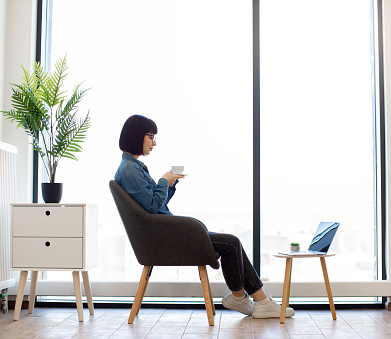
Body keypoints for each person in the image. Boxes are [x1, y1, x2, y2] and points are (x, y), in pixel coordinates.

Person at [115, 114, 294, 319]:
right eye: (151, 137)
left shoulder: (132, 168)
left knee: (229, 243)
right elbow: (154, 208)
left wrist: (169, 186)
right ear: (137, 136)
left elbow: (155, 207)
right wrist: (163, 181)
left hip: (163, 233)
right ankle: (255, 300)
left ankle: (247, 299)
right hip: (163, 238)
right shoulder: (130, 170)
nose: (155, 143)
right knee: (231, 243)